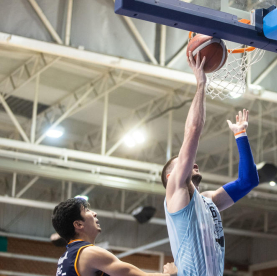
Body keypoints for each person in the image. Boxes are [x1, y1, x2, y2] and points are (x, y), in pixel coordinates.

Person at [161, 52, 259, 276]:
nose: (192, 161)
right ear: (170, 177)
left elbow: (248, 181)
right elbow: (193, 132)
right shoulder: (175, 191)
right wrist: (200, 85)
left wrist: (241, 135)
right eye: (183, 162)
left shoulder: (208, 201)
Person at [52, 197, 177, 276]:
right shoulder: (89, 253)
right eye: (87, 211)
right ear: (78, 224)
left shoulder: (65, 258)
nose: (94, 213)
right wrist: (169, 274)